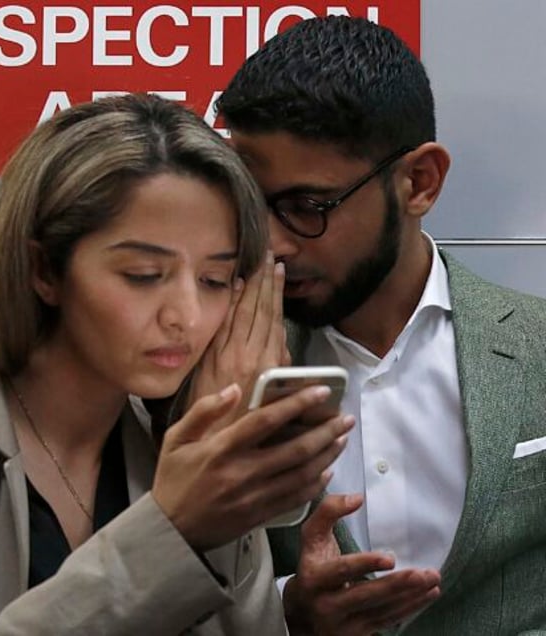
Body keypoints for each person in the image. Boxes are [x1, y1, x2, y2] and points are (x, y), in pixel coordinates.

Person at [0, 93, 352, 635]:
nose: (186, 314)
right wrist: (172, 529)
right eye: (142, 274)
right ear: (45, 269)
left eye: (213, 280)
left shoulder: (171, 448)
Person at [217, 15, 546, 635]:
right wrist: (286, 613)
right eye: (250, 205)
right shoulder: (208, 366)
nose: (272, 242)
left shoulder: (538, 348)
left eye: (307, 207)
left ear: (419, 182)